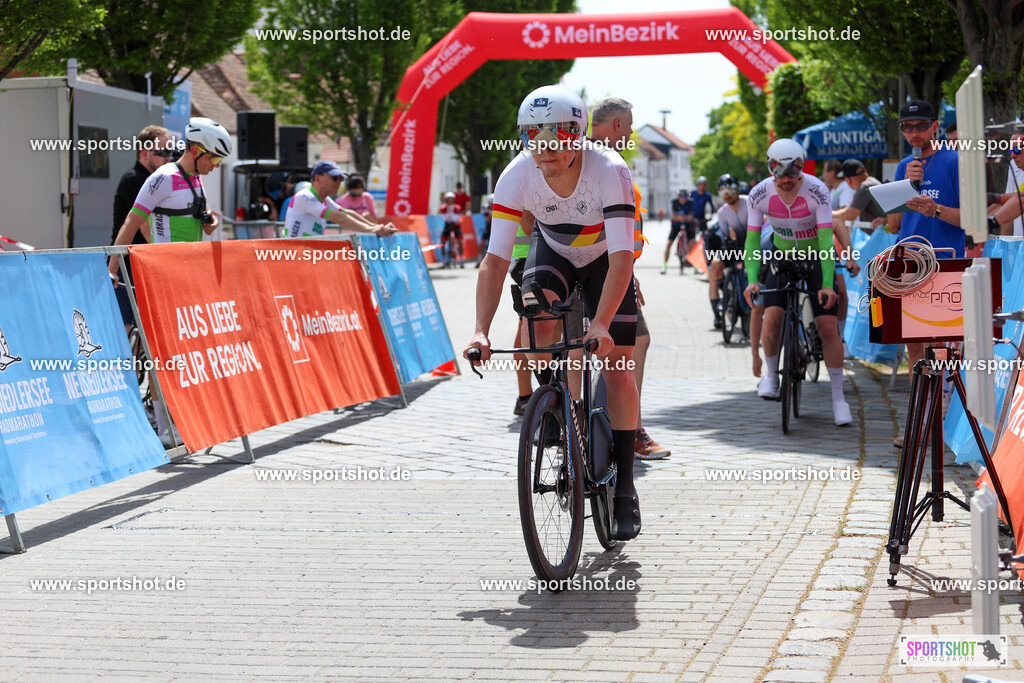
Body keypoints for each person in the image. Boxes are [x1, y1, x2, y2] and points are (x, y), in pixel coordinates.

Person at [466, 84, 642, 540]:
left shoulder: (609, 169)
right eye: (532, 140)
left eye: (554, 141)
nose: (543, 152)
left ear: (577, 134)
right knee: (535, 302)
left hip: (606, 257)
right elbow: (495, 259)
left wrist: (601, 323)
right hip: (557, 249)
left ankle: (624, 486)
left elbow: (623, 256)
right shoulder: (516, 175)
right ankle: (557, 402)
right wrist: (481, 331)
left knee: (618, 365)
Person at [108, 116, 233, 447]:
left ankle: (184, 417)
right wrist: (113, 268)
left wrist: (210, 223)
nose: (216, 166)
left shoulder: (195, 179)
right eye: (214, 159)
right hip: (163, 277)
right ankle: (165, 426)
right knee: (162, 354)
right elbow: (131, 224)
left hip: (189, 277)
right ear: (194, 150)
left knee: (185, 353)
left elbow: (198, 221)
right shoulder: (162, 177)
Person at [743, 138, 852, 427]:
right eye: (780, 173)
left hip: (815, 256)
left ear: (802, 169)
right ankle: (770, 375)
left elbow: (827, 240)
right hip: (782, 257)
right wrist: (752, 280)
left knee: (828, 327)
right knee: (772, 318)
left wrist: (828, 283)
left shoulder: (817, 190)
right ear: (771, 169)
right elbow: (752, 241)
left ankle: (838, 398)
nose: (788, 180)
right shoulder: (758, 194)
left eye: (795, 172)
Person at [590, 96, 669, 460]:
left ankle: (594, 427)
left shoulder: (600, 158)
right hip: (598, 274)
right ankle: (625, 430)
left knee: (619, 348)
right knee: (627, 347)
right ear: (618, 125)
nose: (634, 131)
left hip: (614, 271)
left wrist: (629, 272)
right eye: (631, 124)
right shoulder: (598, 160)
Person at [886, 101, 964, 446]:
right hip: (909, 263)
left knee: (939, 347)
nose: (914, 133)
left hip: (945, 262)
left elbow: (971, 220)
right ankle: (920, 421)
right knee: (914, 349)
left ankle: (940, 420)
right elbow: (892, 224)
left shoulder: (955, 161)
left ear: (934, 126)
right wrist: (905, 186)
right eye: (907, 127)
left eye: (920, 126)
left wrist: (935, 210)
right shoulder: (905, 166)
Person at [110, 124, 174, 327]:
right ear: (145, 153)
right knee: (129, 328)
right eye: (162, 152)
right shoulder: (135, 179)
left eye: (171, 151)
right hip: (126, 265)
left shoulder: (154, 179)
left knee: (146, 328)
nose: (168, 158)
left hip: (141, 263)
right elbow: (147, 230)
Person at [283, 161, 395, 238]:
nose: (338, 182)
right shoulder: (305, 197)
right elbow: (338, 218)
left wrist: (377, 227)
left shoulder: (325, 199)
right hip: (291, 256)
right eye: (334, 178)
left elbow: (347, 213)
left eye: (341, 178)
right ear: (318, 178)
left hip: (304, 256)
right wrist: (372, 230)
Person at [704, 173, 747, 330]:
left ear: (738, 189)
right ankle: (718, 313)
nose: (727, 194)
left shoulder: (749, 203)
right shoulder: (722, 212)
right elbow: (724, 239)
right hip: (733, 249)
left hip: (751, 248)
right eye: (722, 191)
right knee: (714, 268)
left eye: (731, 190)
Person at [662, 189, 694, 274]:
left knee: (693, 243)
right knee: (669, 244)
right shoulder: (674, 202)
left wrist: (683, 217)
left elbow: (691, 216)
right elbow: (674, 216)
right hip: (676, 225)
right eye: (681, 196)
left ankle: (695, 267)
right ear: (678, 196)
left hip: (687, 224)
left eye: (685, 196)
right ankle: (664, 266)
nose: (683, 198)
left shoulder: (691, 202)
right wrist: (681, 217)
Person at [439, 191, 464, 267]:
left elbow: (455, 218)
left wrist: (451, 211)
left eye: (451, 199)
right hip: (447, 225)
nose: (450, 201)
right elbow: (445, 218)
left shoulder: (457, 207)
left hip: (456, 225)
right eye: (448, 199)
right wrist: (449, 212)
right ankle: (444, 261)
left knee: (460, 241)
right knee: (442, 242)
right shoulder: (443, 208)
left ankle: (461, 260)